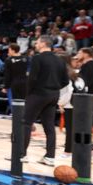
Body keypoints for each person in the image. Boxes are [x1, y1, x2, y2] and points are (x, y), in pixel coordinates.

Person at [21, 36, 69, 166]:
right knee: (49, 127)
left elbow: (32, 78)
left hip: (38, 94)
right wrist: (53, 87)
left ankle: (21, 154)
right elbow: (66, 81)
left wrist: (28, 93)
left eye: (37, 42)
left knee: (26, 123)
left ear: (43, 43)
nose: (35, 44)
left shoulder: (37, 58)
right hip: (53, 95)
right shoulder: (60, 60)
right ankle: (50, 157)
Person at [2, 43, 28, 113]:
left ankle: (17, 117)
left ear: (13, 51)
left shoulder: (8, 60)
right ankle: (26, 119)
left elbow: (8, 75)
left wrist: (5, 86)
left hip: (13, 84)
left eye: (9, 50)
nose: (8, 52)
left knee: (13, 102)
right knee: (23, 102)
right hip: (24, 83)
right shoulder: (25, 59)